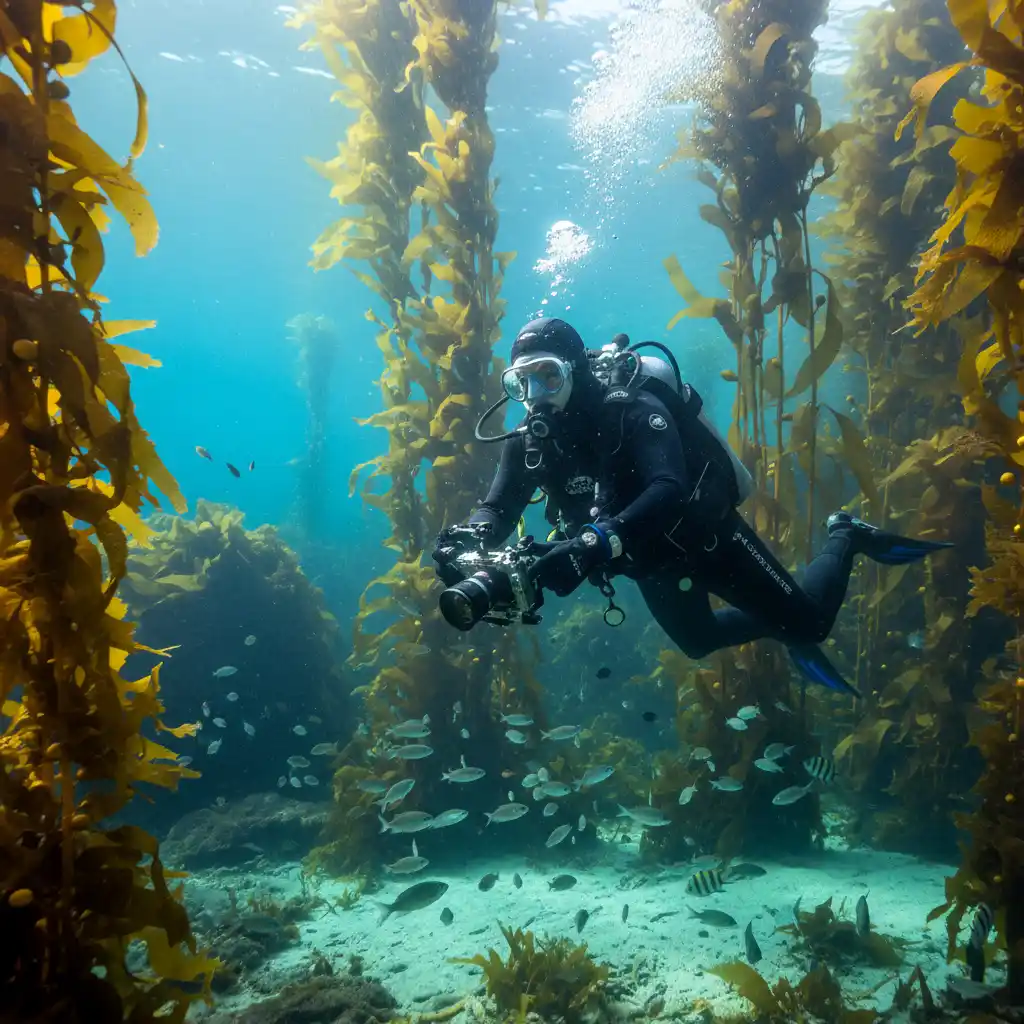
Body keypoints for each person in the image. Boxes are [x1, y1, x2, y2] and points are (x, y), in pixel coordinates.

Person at [432, 317, 951, 694]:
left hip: (707, 539)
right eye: (521, 382)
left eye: (548, 376)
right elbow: (497, 508)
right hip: (648, 564)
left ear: (575, 370)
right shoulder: (528, 442)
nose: (535, 393)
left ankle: (845, 534)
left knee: (812, 624)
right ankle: (778, 616)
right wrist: (470, 537)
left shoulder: (632, 409)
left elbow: (667, 488)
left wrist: (592, 543)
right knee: (699, 641)